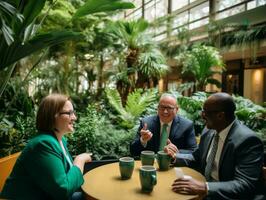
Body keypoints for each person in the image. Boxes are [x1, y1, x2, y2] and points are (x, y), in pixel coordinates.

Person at [171, 92, 264, 200]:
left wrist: (205, 187)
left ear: (220, 116)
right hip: (204, 192)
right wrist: (174, 157)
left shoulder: (248, 141)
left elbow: (244, 185)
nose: (202, 115)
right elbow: (197, 157)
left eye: (205, 112)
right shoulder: (209, 131)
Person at [1, 94, 92, 200]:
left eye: (73, 113)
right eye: (69, 113)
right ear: (52, 116)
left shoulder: (59, 140)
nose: (74, 117)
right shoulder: (43, 144)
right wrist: (79, 160)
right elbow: (63, 190)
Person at [130, 93, 197, 157]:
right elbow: (133, 151)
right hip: (151, 165)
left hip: (173, 165)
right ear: (158, 108)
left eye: (169, 108)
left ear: (176, 109)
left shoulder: (186, 125)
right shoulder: (146, 123)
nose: (165, 111)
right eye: (162, 107)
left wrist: (175, 151)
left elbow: (193, 151)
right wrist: (142, 140)